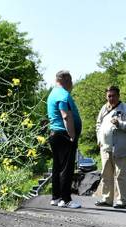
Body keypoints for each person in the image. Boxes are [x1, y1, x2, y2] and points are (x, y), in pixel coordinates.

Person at [95, 85, 126, 209]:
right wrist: (99, 139)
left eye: (113, 96)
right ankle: (107, 199)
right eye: (109, 96)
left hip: (120, 147)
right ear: (106, 96)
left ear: (118, 96)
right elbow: (98, 124)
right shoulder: (104, 108)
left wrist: (120, 124)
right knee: (106, 174)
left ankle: (121, 201)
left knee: (120, 175)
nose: (111, 98)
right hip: (105, 147)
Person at [46, 70, 83, 209]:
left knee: (57, 167)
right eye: (71, 80)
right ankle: (65, 199)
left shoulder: (52, 93)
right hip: (64, 134)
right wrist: (72, 135)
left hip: (55, 134)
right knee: (66, 168)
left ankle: (55, 197)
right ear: (66, 79)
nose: (72, 83)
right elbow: (66, 115)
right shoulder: (62, 94)